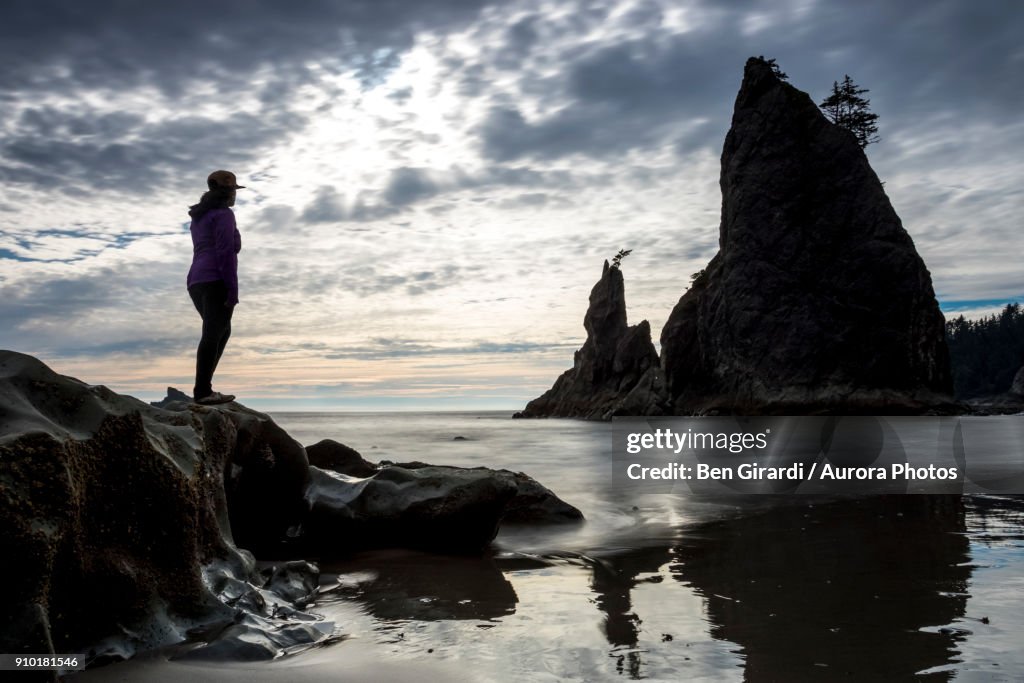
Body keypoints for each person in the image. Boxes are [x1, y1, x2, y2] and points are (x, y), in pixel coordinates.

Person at [186, 170, 244, 404]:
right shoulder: (223, 215)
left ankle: (204, 389)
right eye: (233, 190)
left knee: (221, 330)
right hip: (215, 279)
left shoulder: (199, 217)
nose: (235, 195)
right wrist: (232, 289)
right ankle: (203, 392)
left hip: (195, 281)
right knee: (213, 333)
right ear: (226, 192)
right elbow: (225, 252)